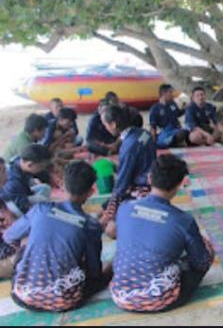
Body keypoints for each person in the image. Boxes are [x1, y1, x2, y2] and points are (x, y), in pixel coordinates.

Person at [110, 154, 215, 313]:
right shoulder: (183, 220)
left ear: (150, 178)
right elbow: (200, 263)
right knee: (205, 248)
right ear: (179, 184)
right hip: (158, 300)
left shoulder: (125, 207)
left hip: (120, 295)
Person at [3, 161, 111, 312]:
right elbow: (94, 272)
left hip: (22, 296)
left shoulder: (40, 209)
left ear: (62, 185)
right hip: (62, 301)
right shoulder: (91, 225)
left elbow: (9, 236)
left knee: (27, 242)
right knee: (110, 266)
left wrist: (23, 249)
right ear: (91, 192)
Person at [99, 105, 157, 230]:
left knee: (109, 227)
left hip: (142, 189)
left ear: (113, 124)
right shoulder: (144, 133)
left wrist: (109, 211)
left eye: (105, 124)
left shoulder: (129, 146)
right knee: (103, 207)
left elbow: (122, 183)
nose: (105, 127)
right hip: (152, 179)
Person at [1, 144, 53, 217]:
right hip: (17, 205)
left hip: (24, 193)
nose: (42, 169)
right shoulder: (13, 182)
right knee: (43, 200)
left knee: (45, 188)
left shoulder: (19, 161)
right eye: (41, 166)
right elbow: (23, 206)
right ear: (30, 165)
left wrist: (32, 182)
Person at [149, 84, 188, 149]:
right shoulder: (155, 109)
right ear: (164, 93)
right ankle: (167, 143)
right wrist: (153, 140)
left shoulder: (172, 103)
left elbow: (177, 113)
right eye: (170, 92)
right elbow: (153, 127)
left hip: (176, 130)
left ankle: (171, 143)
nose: (172, 94)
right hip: (164, 132)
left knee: (185, 132)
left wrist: (185, 108)